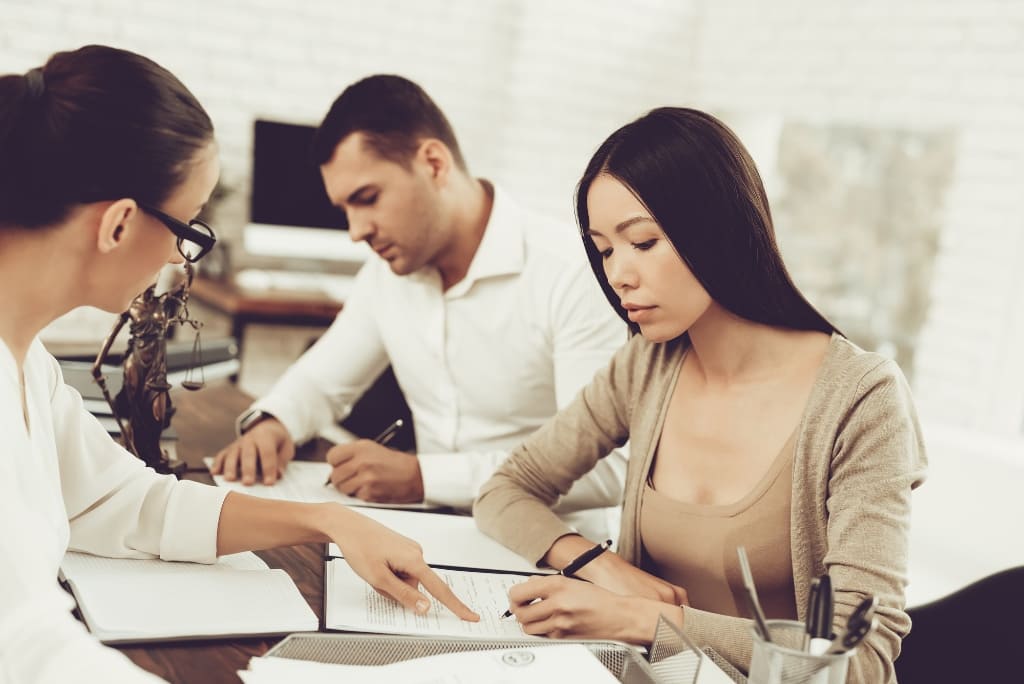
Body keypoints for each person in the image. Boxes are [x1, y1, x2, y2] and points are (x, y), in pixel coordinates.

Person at [0, 46, 477, 684]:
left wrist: (326, 520)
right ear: (117, 224)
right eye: (188, 229)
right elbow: (26, 647)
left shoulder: (32, 368)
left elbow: (127, 503)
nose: (180, 256)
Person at [473, 107, 927, 683]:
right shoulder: (648, 364)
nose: (619, 275)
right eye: (605, 249)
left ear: (720, 228)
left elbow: (856, 658)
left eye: (643, 241)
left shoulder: (862, 398)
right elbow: (506, 489)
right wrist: (594, 562)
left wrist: (646, 619)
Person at [211, 75, 627, 532]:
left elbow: (605, 469)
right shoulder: (389, 273)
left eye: (367, 199)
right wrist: (275, 422)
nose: (355, 231)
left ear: (433, 163)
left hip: (552, 549)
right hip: (428, 531)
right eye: (345, 209)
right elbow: (322, 381)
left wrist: (422, 477)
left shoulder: (572, 273)